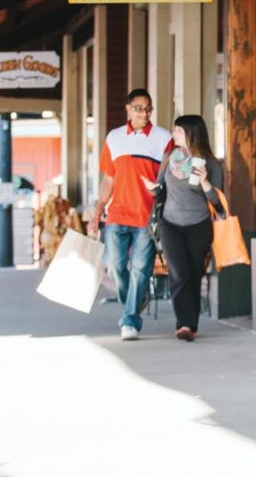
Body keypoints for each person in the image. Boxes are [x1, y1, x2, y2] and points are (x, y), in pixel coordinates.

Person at [87, 88, 173, 341]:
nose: (144, 113)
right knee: (114, 266)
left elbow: (170, 176)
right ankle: (134, 301)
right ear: (128, 109)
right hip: (116, 214)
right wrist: (96, 213)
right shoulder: (114, 138)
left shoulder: (163, 138)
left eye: (148, 108)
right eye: (139, 108)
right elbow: (108, 179)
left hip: (147, 216)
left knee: (140, 270)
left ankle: (130, 320)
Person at [141, 115, 224, 342]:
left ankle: (191, 323)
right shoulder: (170, 158)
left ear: (191, 133)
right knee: (178, 272)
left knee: (194, 273)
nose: (173, 134)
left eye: (178, 130)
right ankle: (184, 324)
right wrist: (152, 189)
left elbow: (218, 202)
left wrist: (205, 181)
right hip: (170, 223)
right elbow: (161, 189)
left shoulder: (210, 163)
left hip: (199, 225)